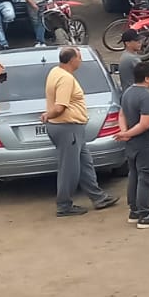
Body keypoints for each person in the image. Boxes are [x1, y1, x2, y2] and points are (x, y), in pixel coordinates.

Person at [44, 47, 117, 216]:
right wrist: (49, 115)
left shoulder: (54, 71)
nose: (81, 61)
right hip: (67, 127)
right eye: (79, 57)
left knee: (85, 164)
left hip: (70, 128)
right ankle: (64, 205)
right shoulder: (65, 79)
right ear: (72, 60)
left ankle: (98, 197)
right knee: (69, 168)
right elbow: (61, 107)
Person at [115, 60, 149, 228]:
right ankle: (145, 214)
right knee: (147, 178)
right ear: (147, 78)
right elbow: (145, 124)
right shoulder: (147, 97)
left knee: (134, 175)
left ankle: (135, 211)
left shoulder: (128, 92)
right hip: (147, 144)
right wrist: (127, 134)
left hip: (133, 144)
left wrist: (125, 133)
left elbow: (122, 115)